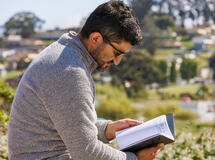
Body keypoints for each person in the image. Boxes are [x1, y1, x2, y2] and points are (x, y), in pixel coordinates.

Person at [8, 1, 164, 159]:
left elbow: (68, 121)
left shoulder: (64, 55)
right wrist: (135, 158)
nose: (117, 61)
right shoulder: (70, 72)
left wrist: (107, 130)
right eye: (117, 53)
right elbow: (87, 152)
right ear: (95, 38)